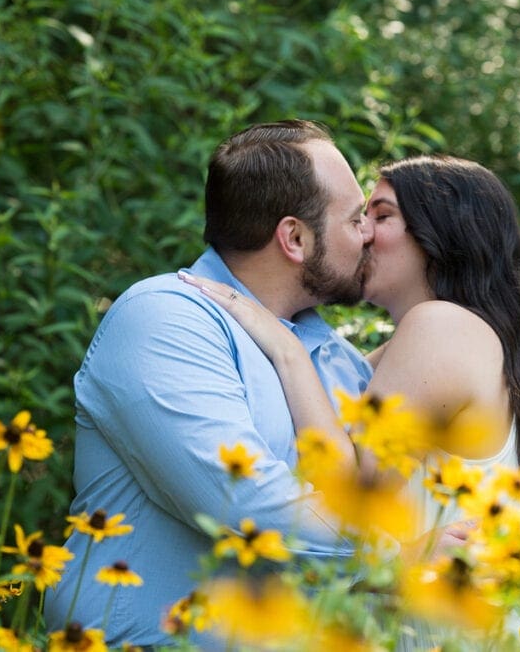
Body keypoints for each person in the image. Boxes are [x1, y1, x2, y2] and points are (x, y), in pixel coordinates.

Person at [186, 154, 520, 647]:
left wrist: (285, 347)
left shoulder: (442, 328)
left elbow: (351, 494)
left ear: (440, 235)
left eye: (382, 215)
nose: (362, 231)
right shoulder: (425, 345)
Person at [44, 120, 381, 647]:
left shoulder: (338, 359)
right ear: (294, 237)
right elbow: (245, 505)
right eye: (356, 217)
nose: (369, 234)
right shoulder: (164, 320)